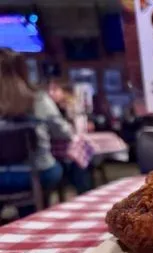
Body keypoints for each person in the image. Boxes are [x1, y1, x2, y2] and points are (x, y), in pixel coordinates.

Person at [0, 49, 89, 217]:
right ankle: (37, 215)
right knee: (65, 167)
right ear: (23, 70)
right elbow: (64, 134)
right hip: (37, 174)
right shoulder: (38, 99)